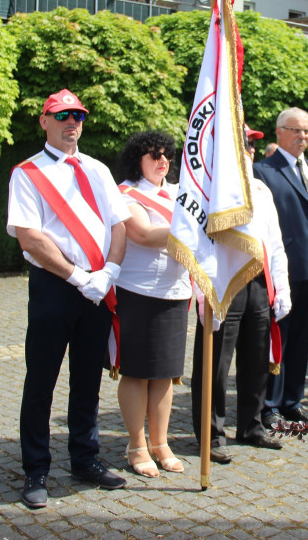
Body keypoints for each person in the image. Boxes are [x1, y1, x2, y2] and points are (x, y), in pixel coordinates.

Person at [7, 89, 130, 509]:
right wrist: (79, 276)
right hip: (56, 288)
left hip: (98, 286)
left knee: (87, 380)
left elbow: (118, 226)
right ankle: (36, 469)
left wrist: (109, 272)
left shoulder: (97, 169)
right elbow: (31, 237)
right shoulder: (27, 173)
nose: (71, 122)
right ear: (44, 121)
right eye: (61, 116)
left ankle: (85, 458)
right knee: (40, 381)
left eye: (77, 115)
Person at [191, 126, 292, 462]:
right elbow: (195, 242)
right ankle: (210, 433)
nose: (249, 150)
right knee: (215, 363)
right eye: (242, 143)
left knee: (256, 358)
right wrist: (201, 288)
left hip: (259, 282)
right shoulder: (207, 188)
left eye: (251, 145)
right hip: (224, 282)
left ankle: (251, 425)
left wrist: (282, 284)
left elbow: (274, 241)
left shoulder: (261, 189)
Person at [112, 131, 190, 478]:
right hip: (138, 292)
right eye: (153, 155)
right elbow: (142, 234)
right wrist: (190, 228)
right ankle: (136, 444)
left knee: (164, 374)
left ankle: (161, 443)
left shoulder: (178, 194)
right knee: (138, 373)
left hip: (176, 293)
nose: (162, 161)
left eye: (166, 156)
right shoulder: (125, 194)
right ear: (137, 160)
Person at [253, 107, 308, 428]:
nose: (303, 137)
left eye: (307, 132)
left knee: (300, 338)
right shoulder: (263, 171)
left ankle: (292, 400)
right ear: (279, 132)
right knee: (277, 339)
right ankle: (269, 404)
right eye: (296, 130)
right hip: (279, 272)